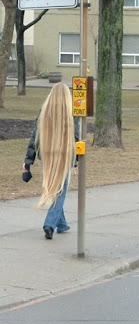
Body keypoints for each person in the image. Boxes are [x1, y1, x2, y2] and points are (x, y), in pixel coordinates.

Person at [22, 82, 80, 240]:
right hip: (65, 155)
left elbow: (35, 137)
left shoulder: (44, 111)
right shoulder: (71, 112)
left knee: (55, 187)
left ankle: (61, 224)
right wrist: (78, 158)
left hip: (47, 155)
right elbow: (77, 136)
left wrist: (28, 161)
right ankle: (50, 224)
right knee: (60, 190)